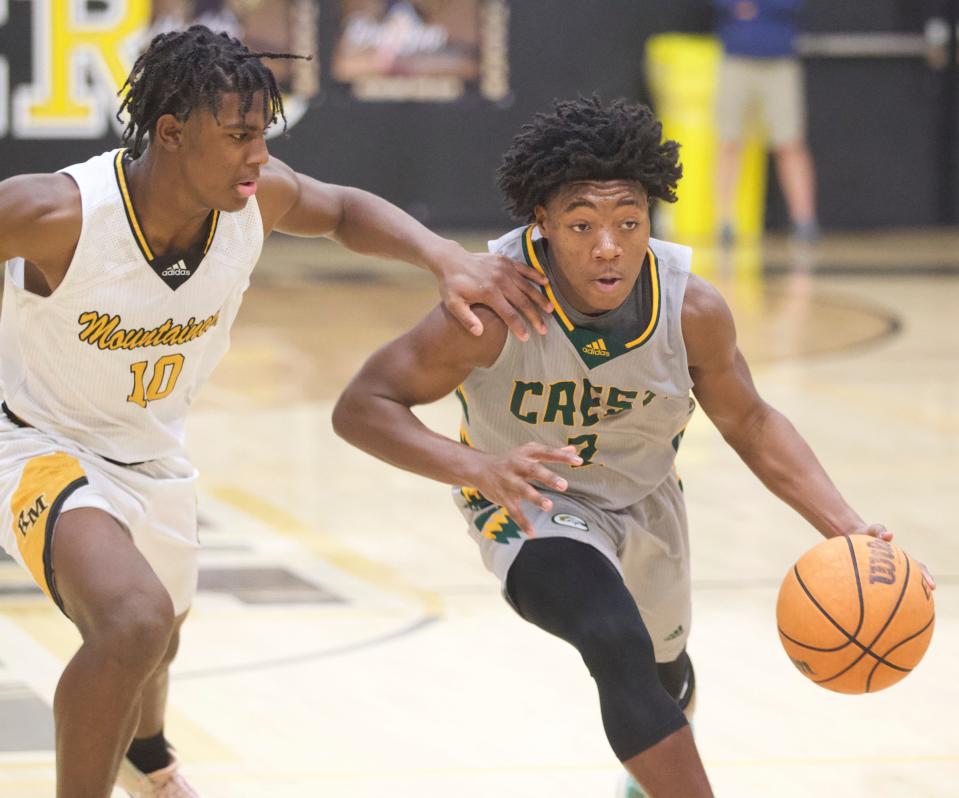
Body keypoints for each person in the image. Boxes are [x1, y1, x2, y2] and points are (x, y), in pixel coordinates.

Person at [0, 25, 553, 798]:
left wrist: (445, 258)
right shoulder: (56, 213)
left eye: (262, 134)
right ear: (171, 134)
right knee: (132, 621)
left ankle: (147, 755)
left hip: (152, 449)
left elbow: (344, 211)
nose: (258, 156)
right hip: (36, 442)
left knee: (157, 640)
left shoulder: (254, 203)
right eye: (237, 137)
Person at [332, 96, 935, 798]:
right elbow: (362, 408)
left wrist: (849, 529)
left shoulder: (691, 310)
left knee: (663, 678)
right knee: (610, 637)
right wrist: (477, 468)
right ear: (542, 224)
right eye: (582, 225)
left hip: (645, 497)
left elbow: (752, 424)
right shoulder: (492, 308)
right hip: (528, 502)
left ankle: (645, 776)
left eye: (628, 222)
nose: (608, 246)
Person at [713, 0, 820, 244]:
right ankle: (725, 222)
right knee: (729, 141)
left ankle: (805, 221)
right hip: (736, 57)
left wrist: (758, 7)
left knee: (789, 142)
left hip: (779, 59)